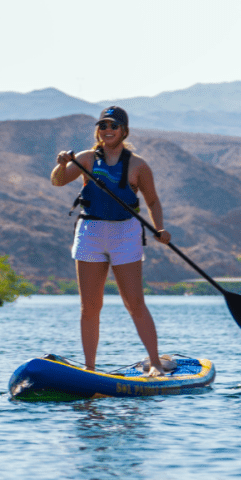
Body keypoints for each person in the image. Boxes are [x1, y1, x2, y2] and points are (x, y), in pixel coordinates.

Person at [51, 106, 175, 376]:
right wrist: (61, 164)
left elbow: (152, 201)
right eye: (103, 126)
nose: (108, 131)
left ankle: (155, 363)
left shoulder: (138, 165)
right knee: (90, 306)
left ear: (124, 131)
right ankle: (90, 368)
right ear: (98, 130)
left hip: (125, 234)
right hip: (91, 232)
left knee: (134, 303)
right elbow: (58, 182)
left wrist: (160, 228)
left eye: (113, 126)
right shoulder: (84, 159)